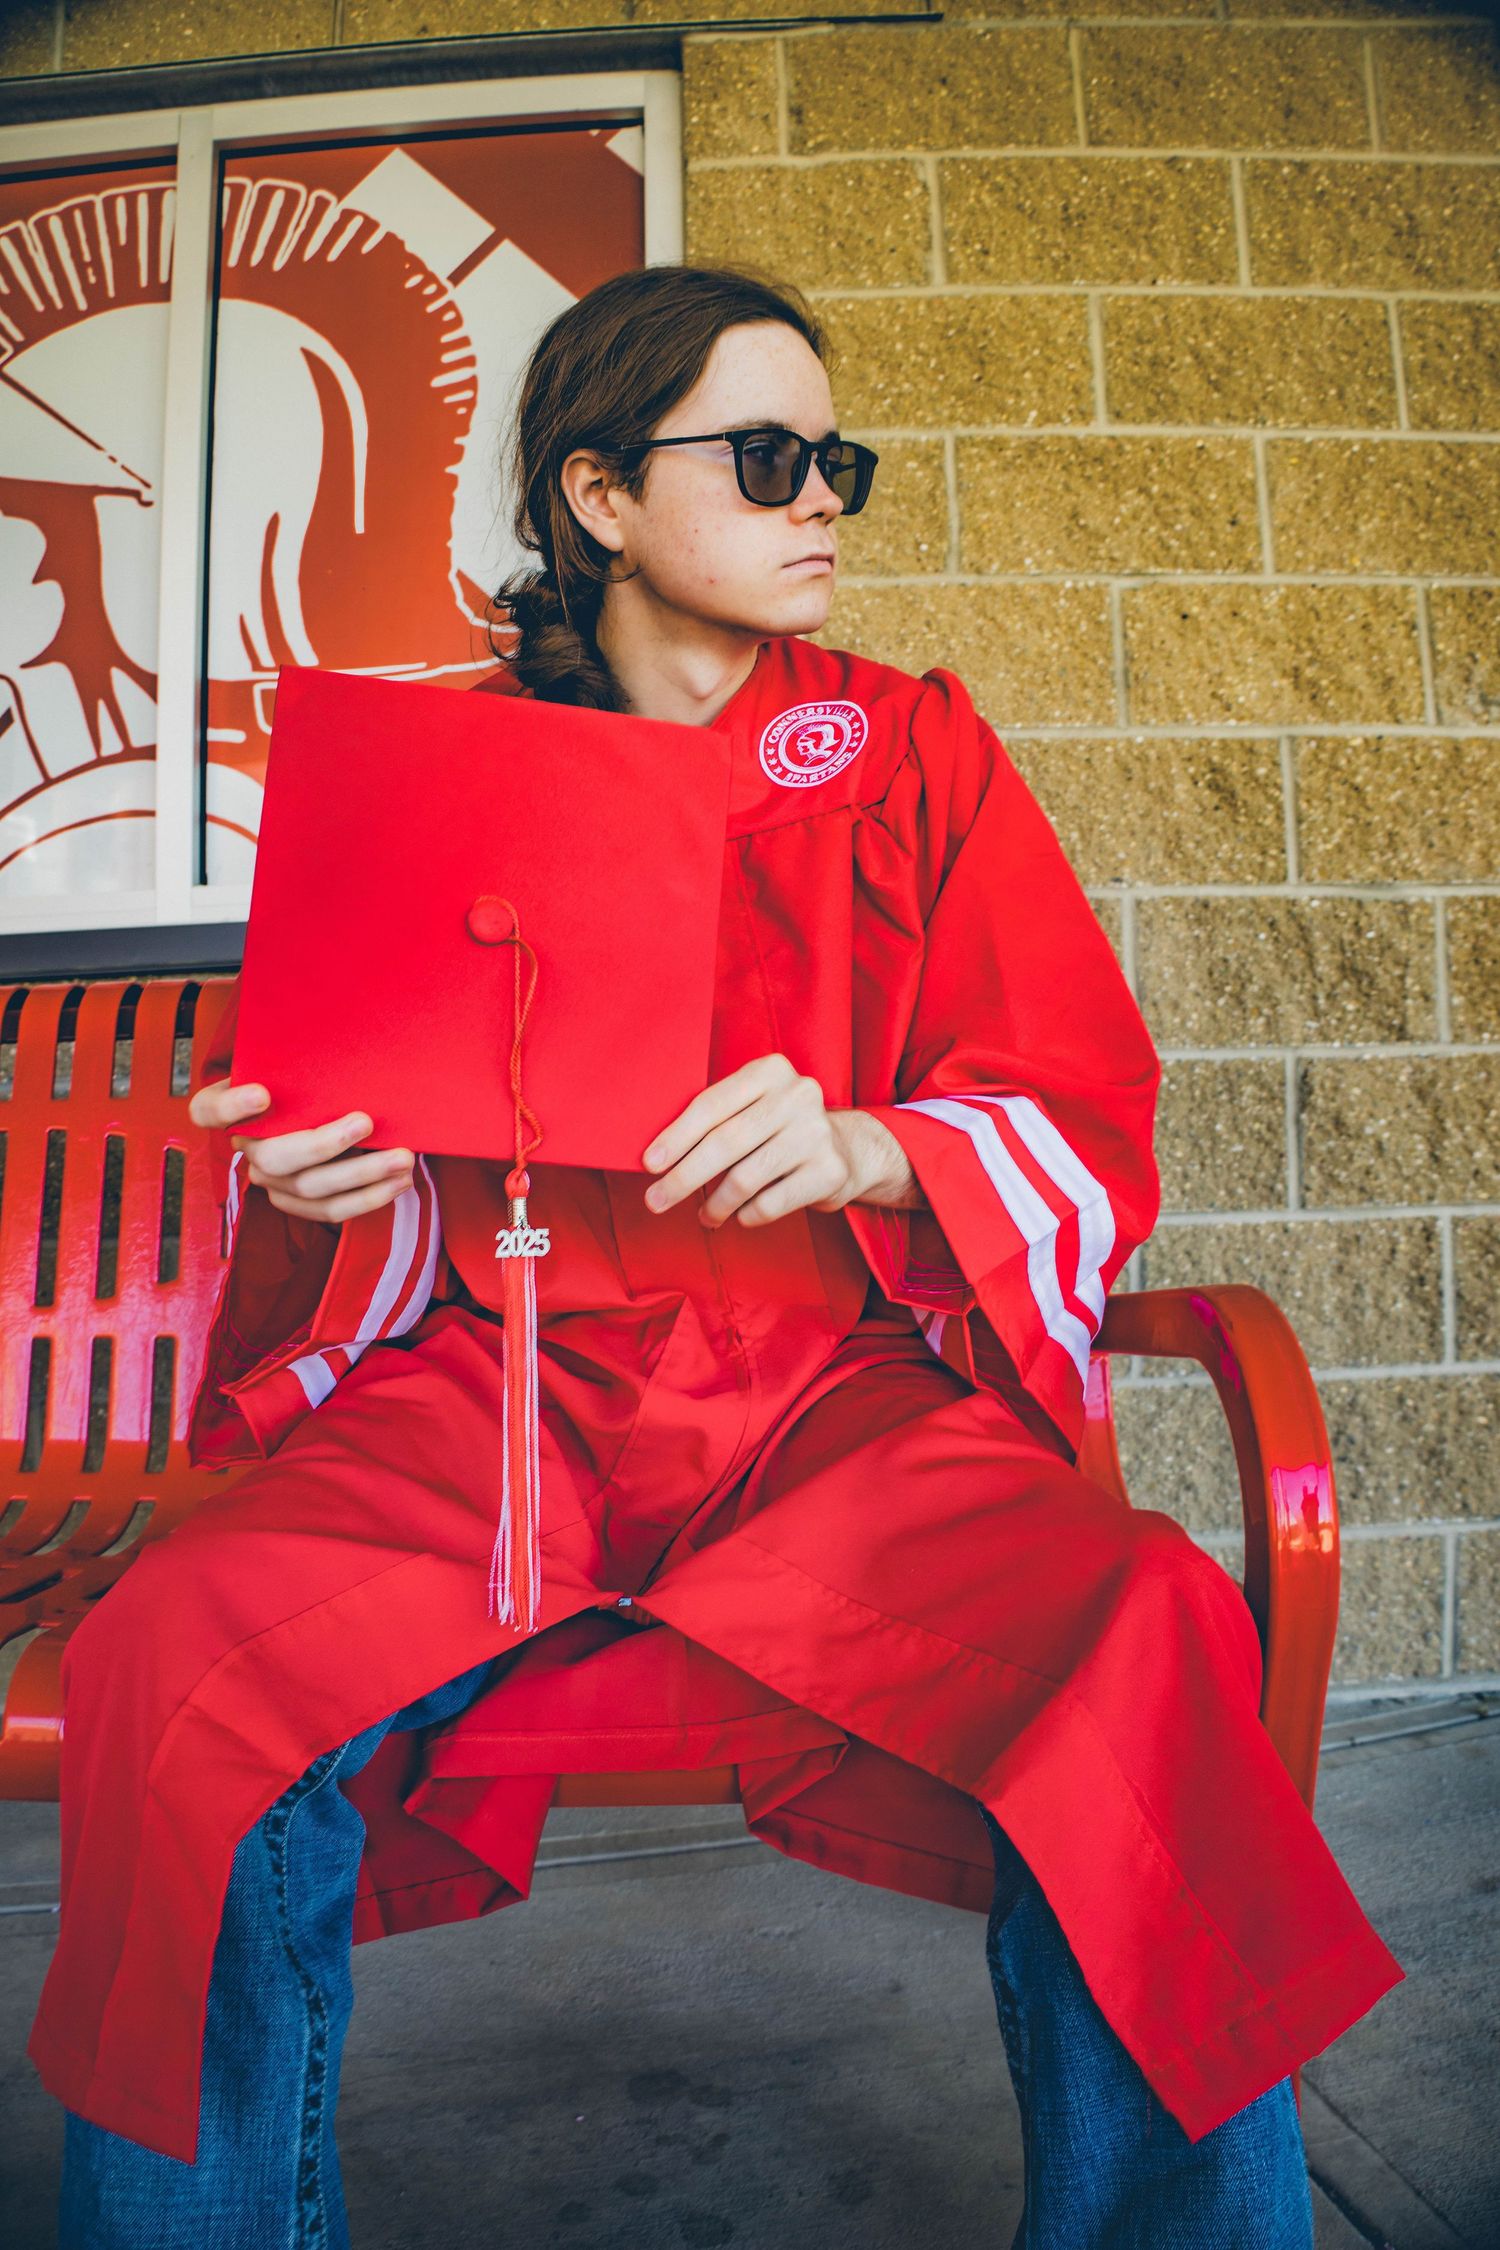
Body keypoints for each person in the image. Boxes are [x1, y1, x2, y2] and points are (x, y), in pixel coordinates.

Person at [31, 263, 1401, 2248]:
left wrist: (878, 1142)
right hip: (495, 1400)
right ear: (596, 498)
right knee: (174, 1661)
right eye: (766, 457)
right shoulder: (442, 780)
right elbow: (363, 1146)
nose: (822, 494)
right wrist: (338, 1185)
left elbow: (1081, 1104)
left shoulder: (911, 759)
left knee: (1149, 1627)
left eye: (831, 457)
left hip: (825, 1403)